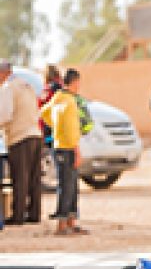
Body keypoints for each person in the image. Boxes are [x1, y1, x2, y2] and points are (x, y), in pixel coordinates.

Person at [40, 69, 87, 235]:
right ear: (74, 82)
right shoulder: (70, 102)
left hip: (59, 145)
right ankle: (63, 224)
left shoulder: (57, 98)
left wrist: (56, 128)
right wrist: (77, 150)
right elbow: (72, 128)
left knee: (68, 185)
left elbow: (44, 112)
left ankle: (70, 222)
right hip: (68, 148)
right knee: (69, 186)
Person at [0, 62, 43, 225]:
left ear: (2, 74)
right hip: (35, 135)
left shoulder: (8, 88)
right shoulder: (27, 85)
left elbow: (5, 115)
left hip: (20, 137)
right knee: (34, 178)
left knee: (20, 177)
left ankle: (17, 216)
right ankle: (34, 214)